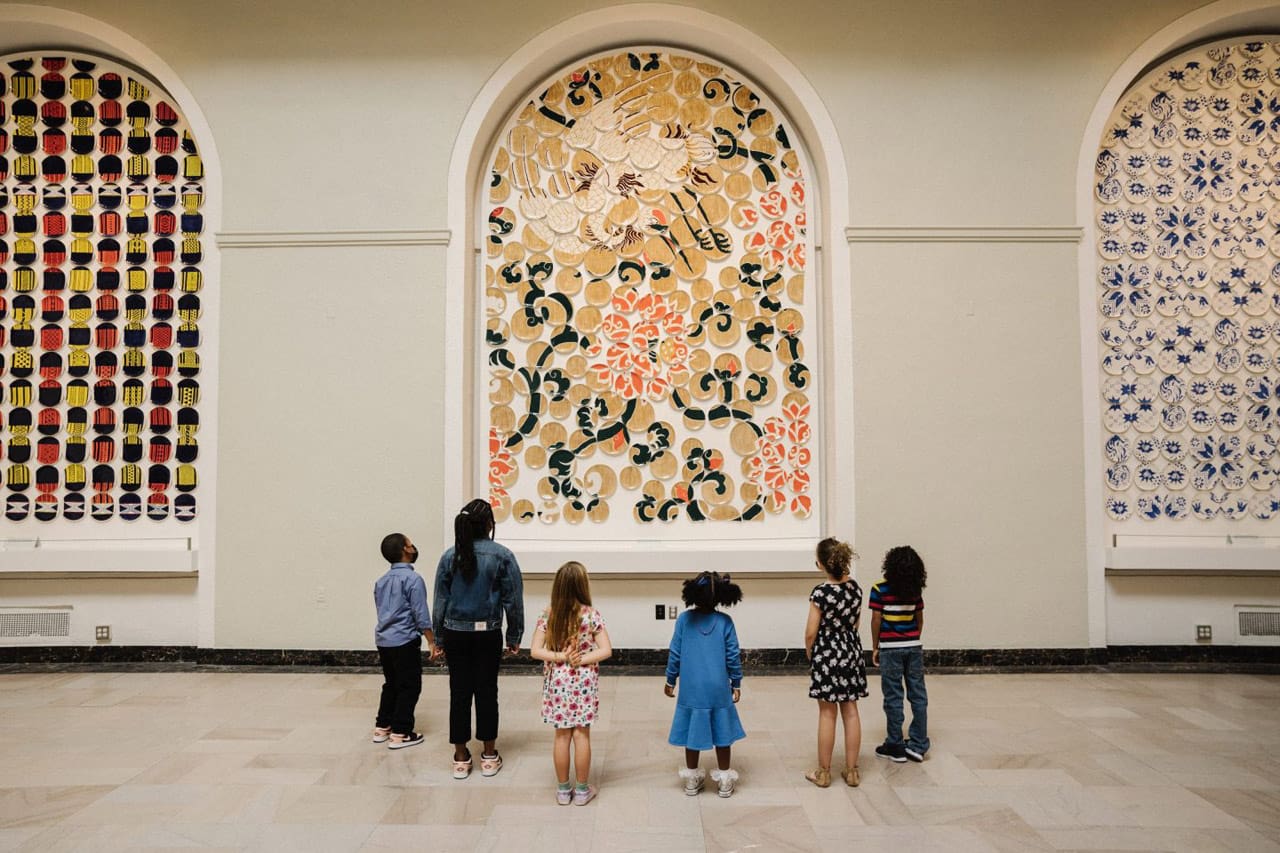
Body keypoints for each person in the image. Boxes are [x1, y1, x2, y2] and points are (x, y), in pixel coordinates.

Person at [432, 498, 524, 779]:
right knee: (487, 691)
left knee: (458, 692)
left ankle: (461, 757)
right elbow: (513, 600)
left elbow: (439, 601)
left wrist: (438, 638)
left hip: (455, 633)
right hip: (488, 634)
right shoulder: (503, 556)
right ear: (489, 524)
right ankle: (488, 754)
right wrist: (514, 635)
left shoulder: (449, 556)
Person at [530, 561, 612, 805]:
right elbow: (606, 650)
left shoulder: (549, 613)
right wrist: (580, 659)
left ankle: (564, 791)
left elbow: (535, 650)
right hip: (584, 682)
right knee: (581, 735)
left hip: (558, 682)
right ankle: (583, 791)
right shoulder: (590, 614)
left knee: (561, 736)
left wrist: (561, 658)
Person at [663, 570, 745, 798]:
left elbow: (675, 653)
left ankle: (691, 778)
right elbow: (732, 656)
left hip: (691, 689)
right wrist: (736, 683)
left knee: (692, 731)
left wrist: (670, 679)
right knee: (723, 732)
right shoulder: (725, 622)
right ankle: (725, 779)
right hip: (718, 689)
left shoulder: (683, 620)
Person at [803, 537, 868, 787]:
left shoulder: (820, 592)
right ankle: (852, 771)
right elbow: (855, 623)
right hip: (850, 651)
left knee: (827, 713)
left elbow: (811, 631)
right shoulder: (855, 589)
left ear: (820, 564)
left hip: (827, 653)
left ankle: (823, 772)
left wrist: (811, 651)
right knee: (851, 710)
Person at [371, 532, 436, 750]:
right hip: (404, 641)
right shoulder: (413, 579)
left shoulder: (381, 582)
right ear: (405, 550)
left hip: (383, 640)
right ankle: (401, 732)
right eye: (410, 543)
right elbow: (420, 613)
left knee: (391, 683)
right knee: (410, 685)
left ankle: (382, 725)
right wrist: (431, 641)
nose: (413, 546)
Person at [869, 545, 929, 763]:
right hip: (913, 647)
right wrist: (913, 639)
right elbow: (919, 619)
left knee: (893, 696)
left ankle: (895, 744)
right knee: (918, 695)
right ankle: (918, 744)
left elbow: (876, 620)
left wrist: (875, 647)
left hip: (889, 649)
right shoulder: (915, 591)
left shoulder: (879, 589)